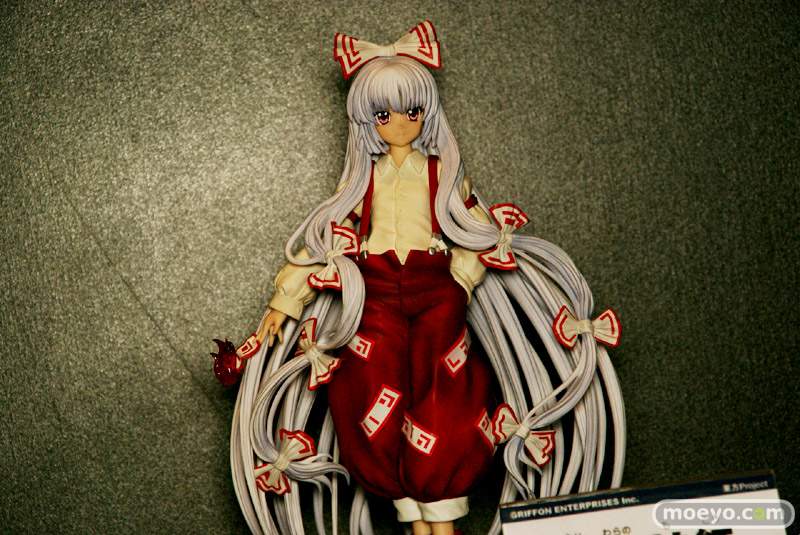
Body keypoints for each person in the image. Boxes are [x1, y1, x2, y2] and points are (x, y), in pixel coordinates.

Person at [229, 21, 625, 535]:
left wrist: (460, 280)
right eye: (385, 114)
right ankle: (411, 511)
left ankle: (442, 507)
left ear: (427, 113)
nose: (399, 123)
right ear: (367, 120)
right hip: (372, 295)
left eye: (411, 112)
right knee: (370, 390)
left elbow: (479, 232)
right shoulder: (362, 181)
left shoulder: (443, 174)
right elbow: (325, 242)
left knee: (444, 394)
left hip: (435, 290)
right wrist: (285, 301)